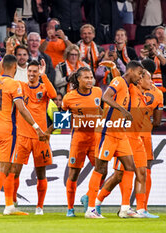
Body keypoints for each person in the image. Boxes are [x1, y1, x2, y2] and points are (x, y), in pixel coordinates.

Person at [0, 54, 47, 216]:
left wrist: (6, 55)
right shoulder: (14, 84)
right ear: (15, 68)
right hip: (9, 130)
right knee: (4, 167)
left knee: (9, 167)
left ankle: (9, 206)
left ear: (3, 66)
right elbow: (22, 109)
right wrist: (37, 128)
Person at [82, 60, 143, 218]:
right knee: (101, 169)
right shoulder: (119, 81)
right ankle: (91, 209)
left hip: (120, 133)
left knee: (130, 167)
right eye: (139, 73)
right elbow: (106, 97)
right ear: (130, 71)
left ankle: (125, 208)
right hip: (107, 131)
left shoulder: (128, 88)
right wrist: (123, 110)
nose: (140, 77)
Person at [95, 68, 157, 218]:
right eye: (149, 79)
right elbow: (123, 78)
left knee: (142, 173)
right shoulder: (132, 89)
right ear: (140, 80)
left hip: (138, 140)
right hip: (125, 137)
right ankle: (97, 201)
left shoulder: (144, 97)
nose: (152, 82)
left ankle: (140, 209)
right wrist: (113, 67)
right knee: (118, 175)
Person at [11, 59, 56, 215]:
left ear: (39, 72)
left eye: (35, 71)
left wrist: (45, 76)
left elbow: (54, 94)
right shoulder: (20, 87)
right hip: (22, 136)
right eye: (29, 71)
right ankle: (13, 201)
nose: (31, 74)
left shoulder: (44, 89)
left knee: (41, 174)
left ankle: (39, 206)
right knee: (15, 171)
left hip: (40, 137)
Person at [62, 67, 103, 217]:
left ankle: (88, 197)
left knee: (102, 172)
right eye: (86, 77)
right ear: (78, 79)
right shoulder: (69, 97)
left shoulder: (98, 92)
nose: (89, 80)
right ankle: (70, 208)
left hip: (95, 140)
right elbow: (63, 117)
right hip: (78, 140)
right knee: (73, 174)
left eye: (91, 77)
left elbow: (101, 111)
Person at [139, 58, 163, 217]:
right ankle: (143, 208)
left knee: (122, 172)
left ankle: (96, 200)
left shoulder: (131, 87)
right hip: (145, 134)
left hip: (127, 133)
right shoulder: (158, 93)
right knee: (146, 171)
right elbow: (158, 121)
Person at [140, 35, 166, 104]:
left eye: (154, 45)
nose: (151, 47)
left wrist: (157, 53)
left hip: (164, 96)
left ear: (158, 45)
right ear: (145, 46)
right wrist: (142, 59)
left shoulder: (161, 58)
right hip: (145, 96)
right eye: (149, 45)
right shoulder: (141, 59)